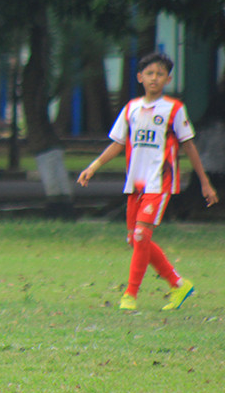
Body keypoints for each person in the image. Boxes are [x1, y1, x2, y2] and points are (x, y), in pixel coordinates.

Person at [77, 51, 219, 310]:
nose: (155, 78)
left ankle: (129, 295)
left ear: (168, 79)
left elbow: (189, 146)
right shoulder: (131, 108)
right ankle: (178, 284)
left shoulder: (174, 109)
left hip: (160, 182)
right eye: (150, 73)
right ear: (140, 77)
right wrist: (93, 166)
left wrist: (205, 182)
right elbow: (118, 143)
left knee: (142, 234)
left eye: (160, 74)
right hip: (135, 183)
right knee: (136, 240)